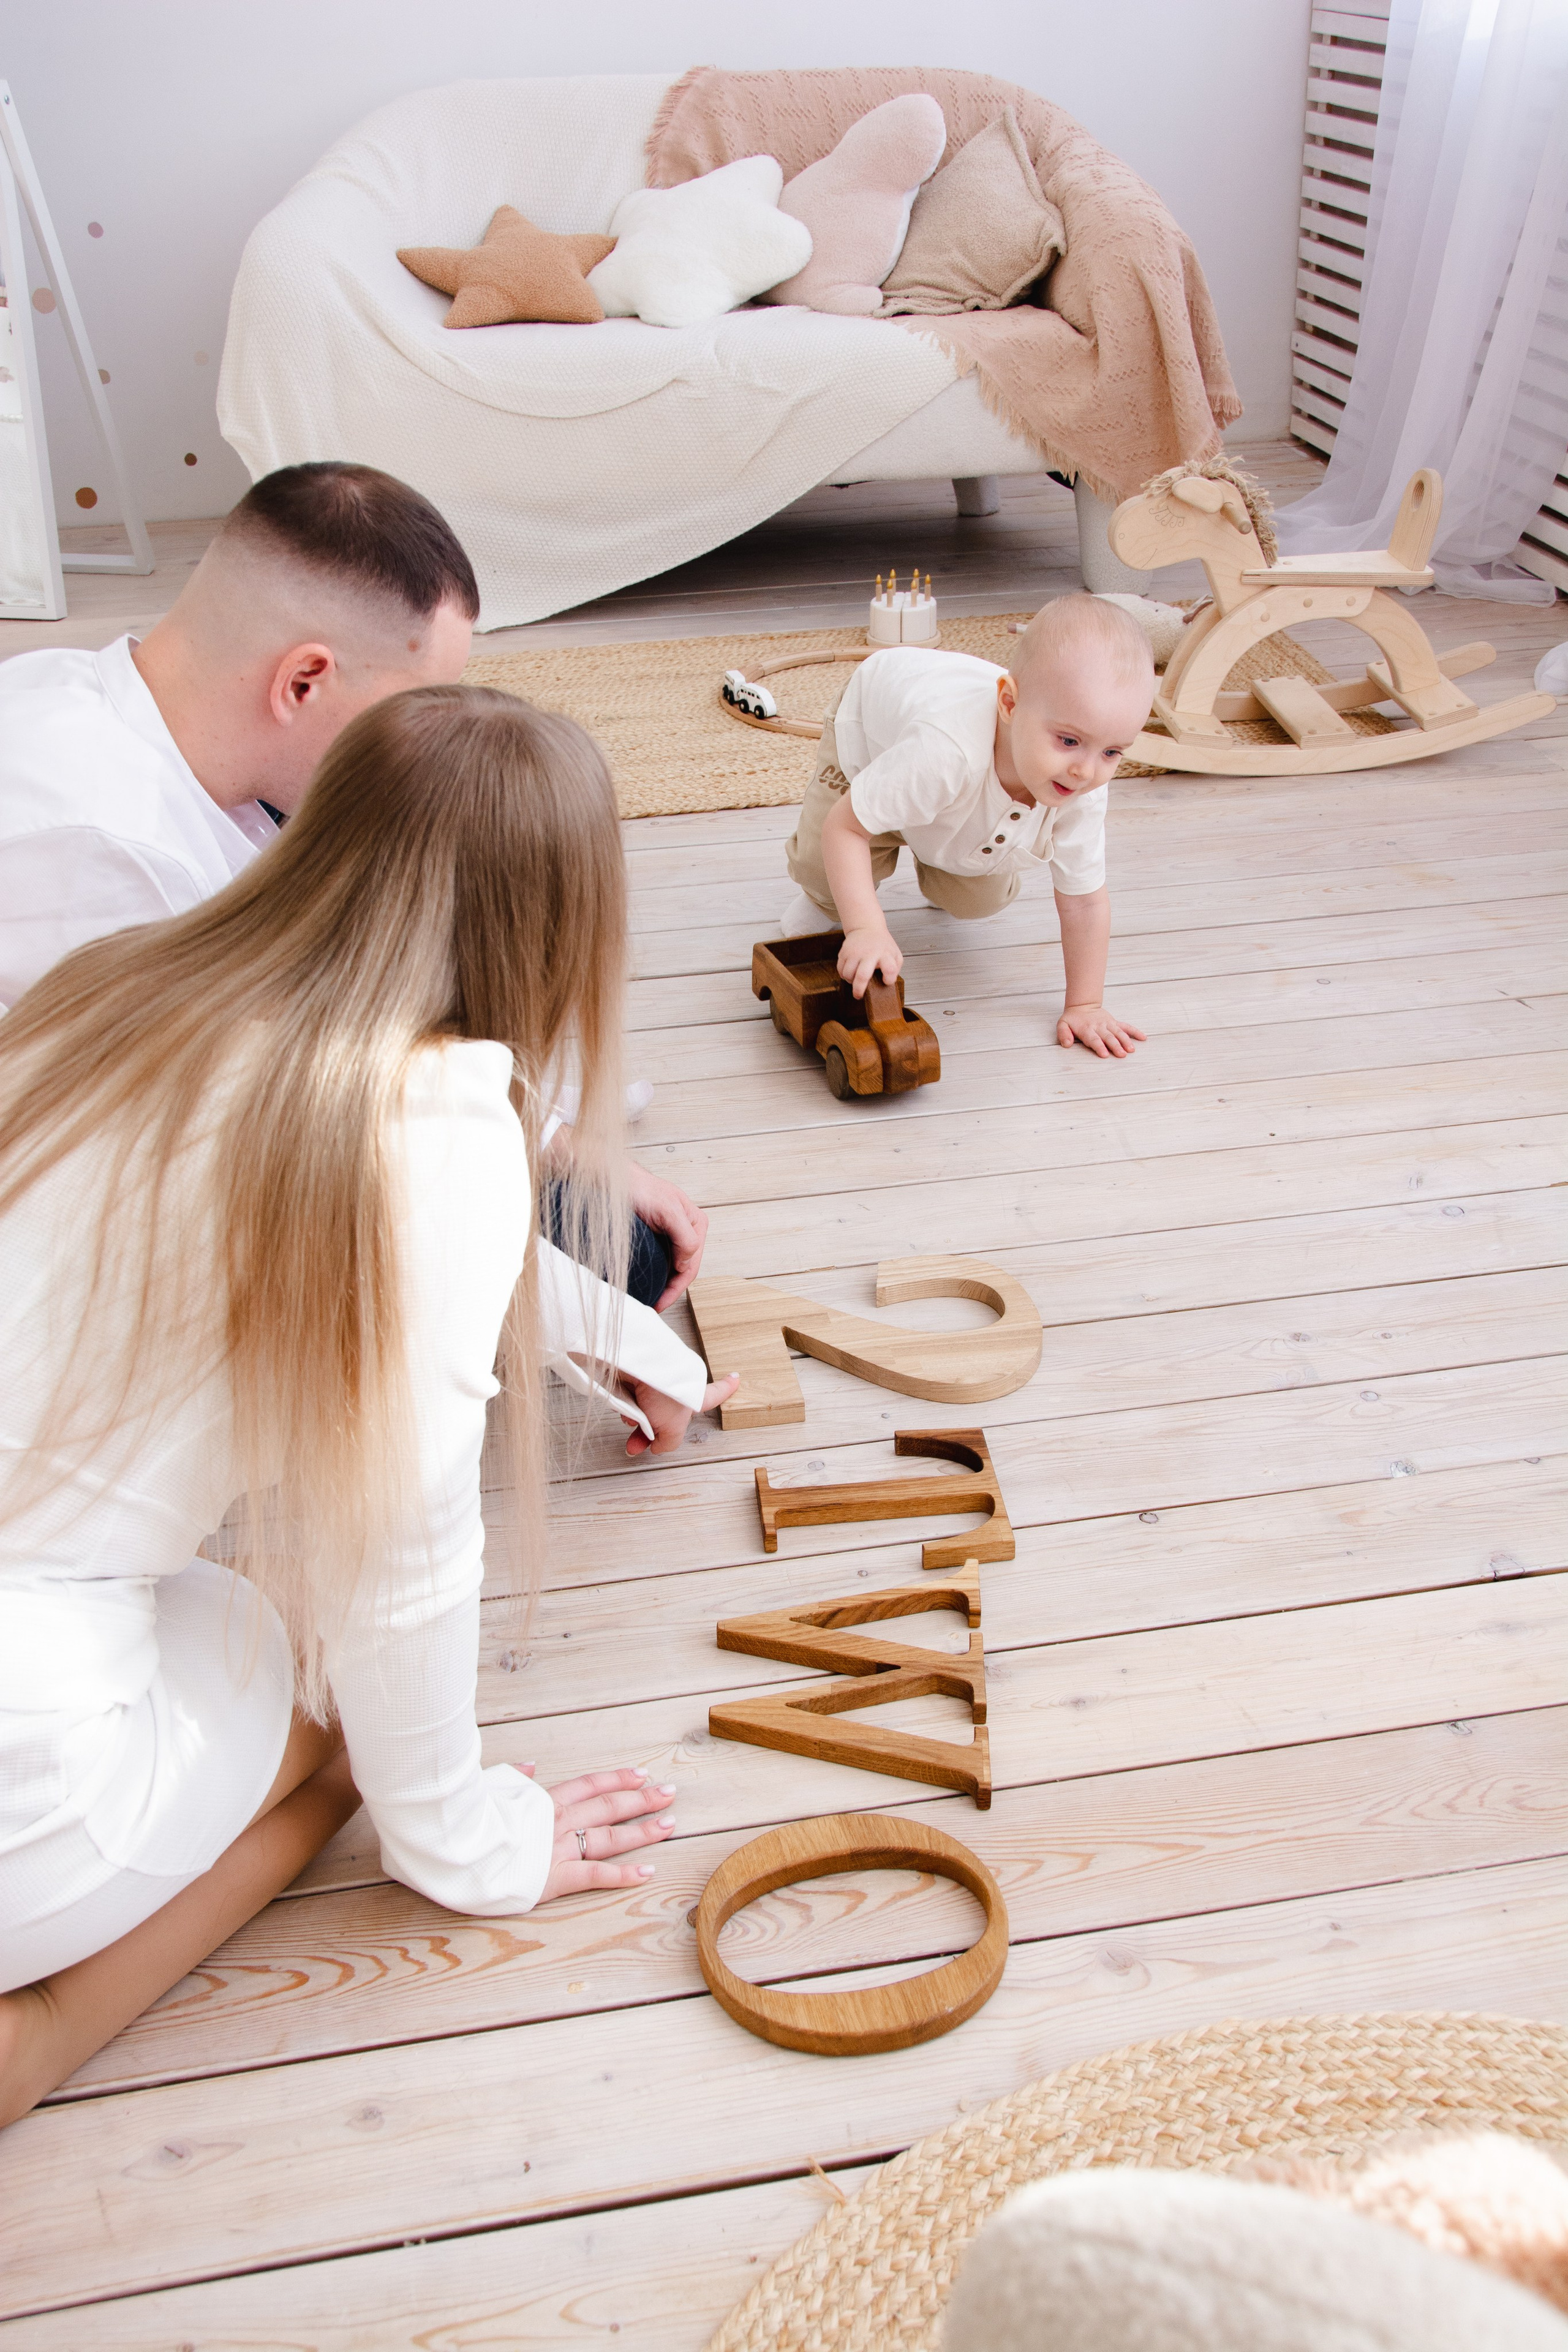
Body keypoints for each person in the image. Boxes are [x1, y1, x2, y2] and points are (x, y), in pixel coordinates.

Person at [0, 685, 738, 2125]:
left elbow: (344, 1232)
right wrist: (463, 1835)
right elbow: (405, 1564)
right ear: (551, 926)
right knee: (316, 1685)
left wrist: (595, 1324)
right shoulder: (432, 1125)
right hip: (22, 1746)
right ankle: (36, 2036)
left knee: (243, 1628)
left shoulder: (116, 986)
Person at [0, 458, 714, 1397]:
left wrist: (554, 1141)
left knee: (607, 1230)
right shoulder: (102, 855)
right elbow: (279, 1166)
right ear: (304, 682)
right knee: (624, 1268)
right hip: (111, 1237)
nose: (423, 741)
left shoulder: (177, 735)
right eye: (407, 714)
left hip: (244, 1110)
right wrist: (609, 1335)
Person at [778, 594, 1154, 1058]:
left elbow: (1085, 902)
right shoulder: (945, 752)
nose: (1085, 771)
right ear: (1010, 705)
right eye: (1069, 740)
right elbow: (845, 828)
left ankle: (932, 856)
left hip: (940, 795)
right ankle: (823, 895)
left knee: (978, 897)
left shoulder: (1081, 786)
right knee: (827, 867)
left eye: (1112, 752)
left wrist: (1085, 1003)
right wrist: (863, 929)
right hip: (873, 739)